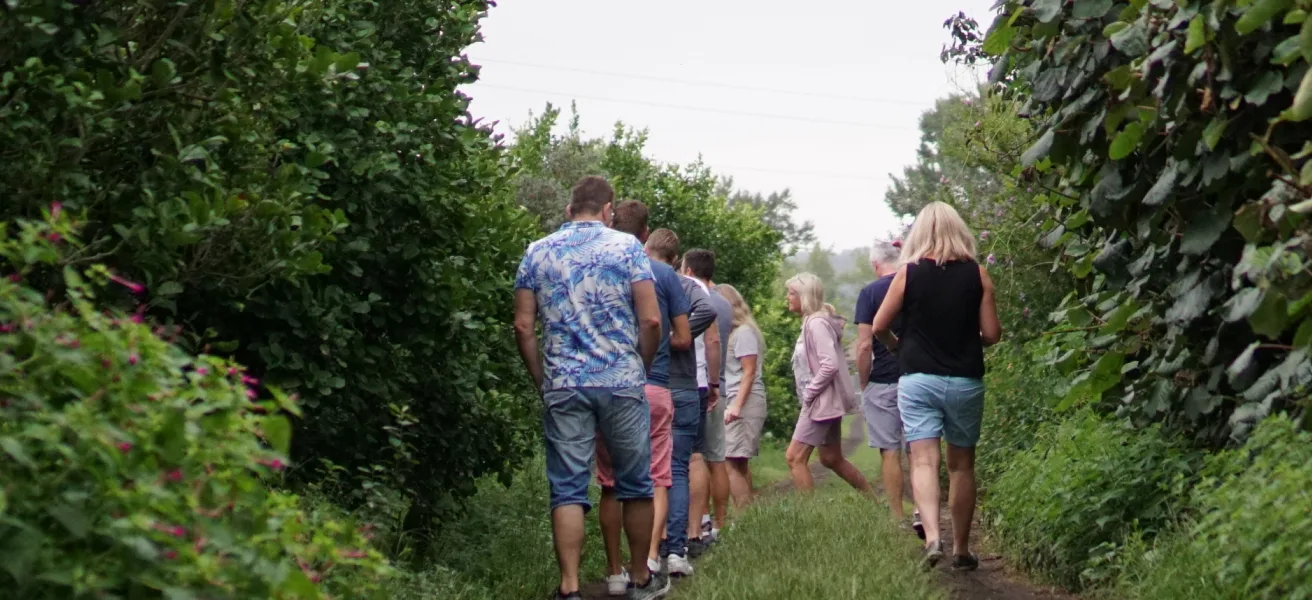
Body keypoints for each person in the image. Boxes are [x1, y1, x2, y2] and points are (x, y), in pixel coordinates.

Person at [512, 177, 668, 600]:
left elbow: (524, 325)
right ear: (608, 210)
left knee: (568, 486)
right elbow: (652, 320)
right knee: (635, 483)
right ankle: (639, 579)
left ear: (568, 210)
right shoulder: (628, 248)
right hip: (620, 381)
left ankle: (570, 587)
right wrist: (641, 365)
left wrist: (542, 379)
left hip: (564, 382)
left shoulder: (536, 252)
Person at [872, 201, 1002, 571]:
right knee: (961, 466)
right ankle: (961, 549)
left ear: (920, 235)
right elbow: (992, 334)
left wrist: (899, 348)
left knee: (924, 460)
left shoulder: (908, 274)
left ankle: (933, 539)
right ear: (959, 231)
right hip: (964, 380)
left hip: (918, 379)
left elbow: (880, 326)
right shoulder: (978, 275)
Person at [595, 200, 689, 596]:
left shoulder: (597, 263)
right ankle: (648, 560)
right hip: (652, 384)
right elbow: (680, 336)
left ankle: (615, 571)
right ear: (645, 232)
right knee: (656, 478)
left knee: (609, 483)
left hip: (604, 382)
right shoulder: (664, 274)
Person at [647, 229, 715, 578]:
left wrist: (667, 339)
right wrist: (678, 335)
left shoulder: (642, 280)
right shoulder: (684, 285)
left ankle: (648, 552)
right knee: (677, 468)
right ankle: (675, 549)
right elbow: (710, 306)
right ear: (676, 259)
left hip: (650, 384)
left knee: (645, 470)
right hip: (684, 387)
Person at [783, 273, 872, 494]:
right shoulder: (814, 321)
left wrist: (811, 393)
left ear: (805, 297)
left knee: (794, 457)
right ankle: (875, 504)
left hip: (821, 401)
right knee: (831, 457)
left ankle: (811, 517)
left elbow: (829, 364)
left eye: (792, 293)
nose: (787, 297)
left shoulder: (816, 323)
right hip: (826, 400)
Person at [854, 239, 911, 525]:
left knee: (890, 451)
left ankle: (897, 517)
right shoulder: (914, 286)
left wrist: (864, 382)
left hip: (883, 380)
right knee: (919, 449)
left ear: (876, 264)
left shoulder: (870, 293)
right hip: (917, 375)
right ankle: (922, 514)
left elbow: (865, 346)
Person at [680, 249, 730, 558]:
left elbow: (709, 342)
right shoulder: (724, 303)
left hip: (696, 382)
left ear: (687, 268)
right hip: (718, 384)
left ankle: (692, 526)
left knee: (690, 459)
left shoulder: (689, 295)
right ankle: (718, 523)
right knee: (715, 458)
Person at [715, 284, 768, 508]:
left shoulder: (744, 332)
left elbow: (749, 371)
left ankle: (743, 515)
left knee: (728, 461)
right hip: (738, 399)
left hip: (743, 401)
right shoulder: (734, 333)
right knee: (739, 461)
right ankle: (748, 516)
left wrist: (736, 405)